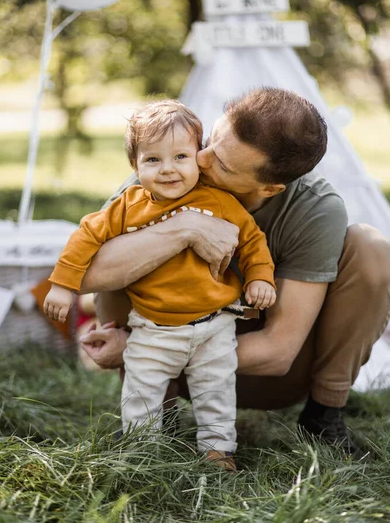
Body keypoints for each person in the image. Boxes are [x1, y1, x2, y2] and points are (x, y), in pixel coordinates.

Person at [80, 87, 390, 456]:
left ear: (270, 188)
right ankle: (155, 417)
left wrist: (137, 349)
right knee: (126, 248)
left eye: (224, 165)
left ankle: (324, 415)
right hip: (168, 372)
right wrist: (183, 228)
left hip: (263, 375)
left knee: (372, 247)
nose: (202, 159)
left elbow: (278, 352)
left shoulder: (314, 209)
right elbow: (86, 275)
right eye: (211, 140)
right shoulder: (170, 174)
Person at [44, 100, 277, 471]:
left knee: (215, 390)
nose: (168, 169)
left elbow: (252, 242)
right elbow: (85, 237)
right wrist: (62, 285)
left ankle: (218, 451)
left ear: (198, 157)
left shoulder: (218, 201)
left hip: (213, 325)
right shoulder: (127, 206)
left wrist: (260, 277)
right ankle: (141, 450)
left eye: (180, 156)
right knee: (141, 392)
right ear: (135, 165)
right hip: (153, 326)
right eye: (153, 160)